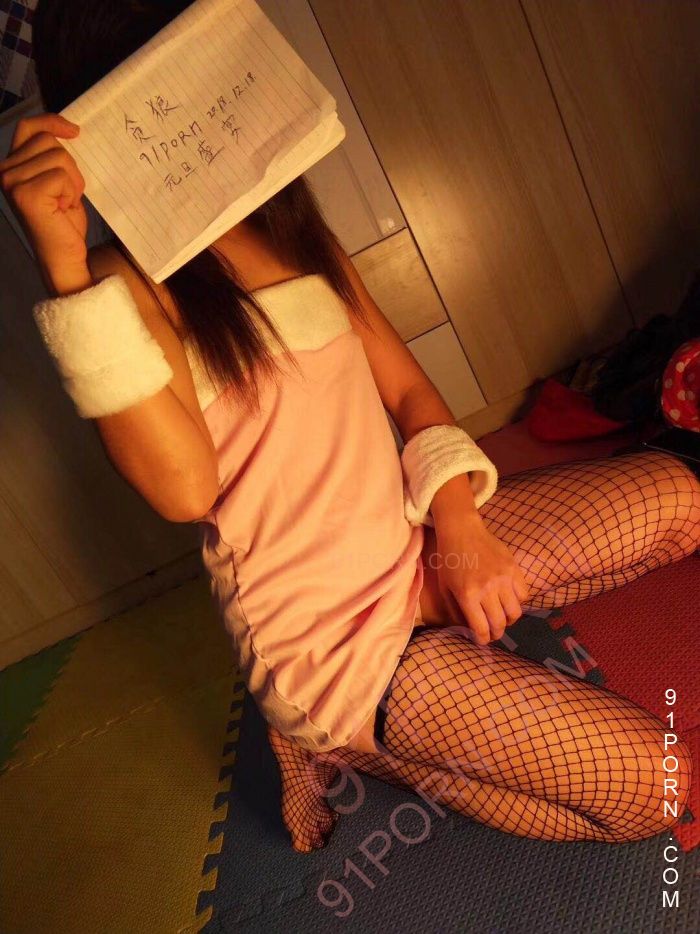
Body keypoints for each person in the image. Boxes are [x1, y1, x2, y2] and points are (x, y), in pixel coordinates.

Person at [5, 0, 697, 854]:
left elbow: (405, 388)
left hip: (408, 546)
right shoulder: (120, 287)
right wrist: (64, 266)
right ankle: (344, 742)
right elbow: (185, 492)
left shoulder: (288, 228)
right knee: (656, 791)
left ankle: (408, 695)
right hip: (328, 639)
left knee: (682, 502)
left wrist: (459, 522)